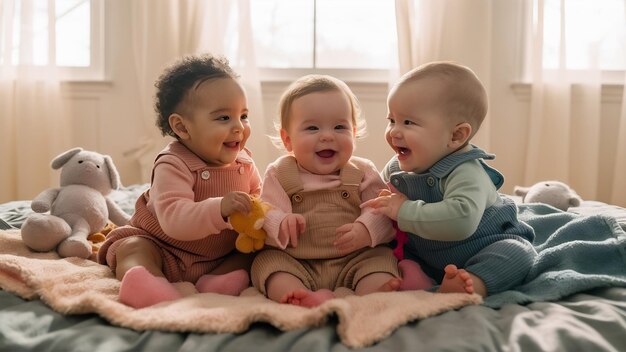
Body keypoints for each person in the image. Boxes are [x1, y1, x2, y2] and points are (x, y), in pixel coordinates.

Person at [98, 54, 262, 308]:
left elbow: (259, 205)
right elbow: (174, 219)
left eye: (244, 115)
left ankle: (217, 281)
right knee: (132, 248)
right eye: (223, 118)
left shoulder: (245, 163)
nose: (239, 127)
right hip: (163, 248)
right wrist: (219, 208)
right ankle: (147, 283)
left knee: (254, 253)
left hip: (218, 256)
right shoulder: (173, 163)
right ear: (183, 128)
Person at [251, 74, 429, 308]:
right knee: (268, 264)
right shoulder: (280, 172)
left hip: (355, 258)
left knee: (380, 260)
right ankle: (298, 293)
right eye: (312, 128)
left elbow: (383, 211)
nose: (327, 135)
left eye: (339, 127)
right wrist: (281, 222)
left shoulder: (362, 171)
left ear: (353, 133)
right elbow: (267, 211)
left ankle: (376, 289)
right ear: (288, 140)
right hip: (297, 260)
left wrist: (365, 230)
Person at [362, 61, 536, 297]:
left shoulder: (466, 171)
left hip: (486, 244)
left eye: (408, 122)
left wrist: (403, 210)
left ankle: (472, 282)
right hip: (426, 254)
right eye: (391, 120)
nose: (394, 131)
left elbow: (461, 221)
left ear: (455, 136)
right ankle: (413, 277)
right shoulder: (397, 168)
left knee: (518, 253)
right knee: (380, 254)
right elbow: (377, 201)